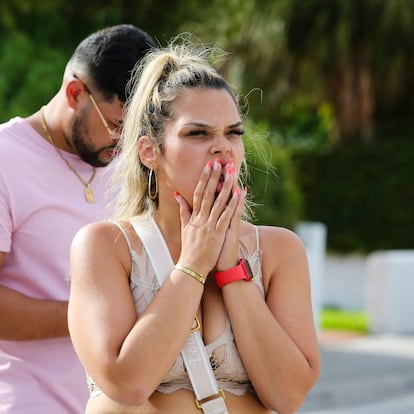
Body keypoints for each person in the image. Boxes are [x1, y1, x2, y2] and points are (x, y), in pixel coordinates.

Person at [68, 40, 320, 414]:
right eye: (198, 134)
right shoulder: (105, 245)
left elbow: (289, 396)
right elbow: (128, 382)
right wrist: (194, 263)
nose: (223, 148)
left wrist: (232, 271)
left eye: (233, 133)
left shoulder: (279, 250)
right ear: (149, 151)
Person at [0, 24, 155, 413]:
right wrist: (95, 318)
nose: (124, 145)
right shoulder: (6, 159)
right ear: (74, 93)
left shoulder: (132, 165)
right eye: (118, 126)